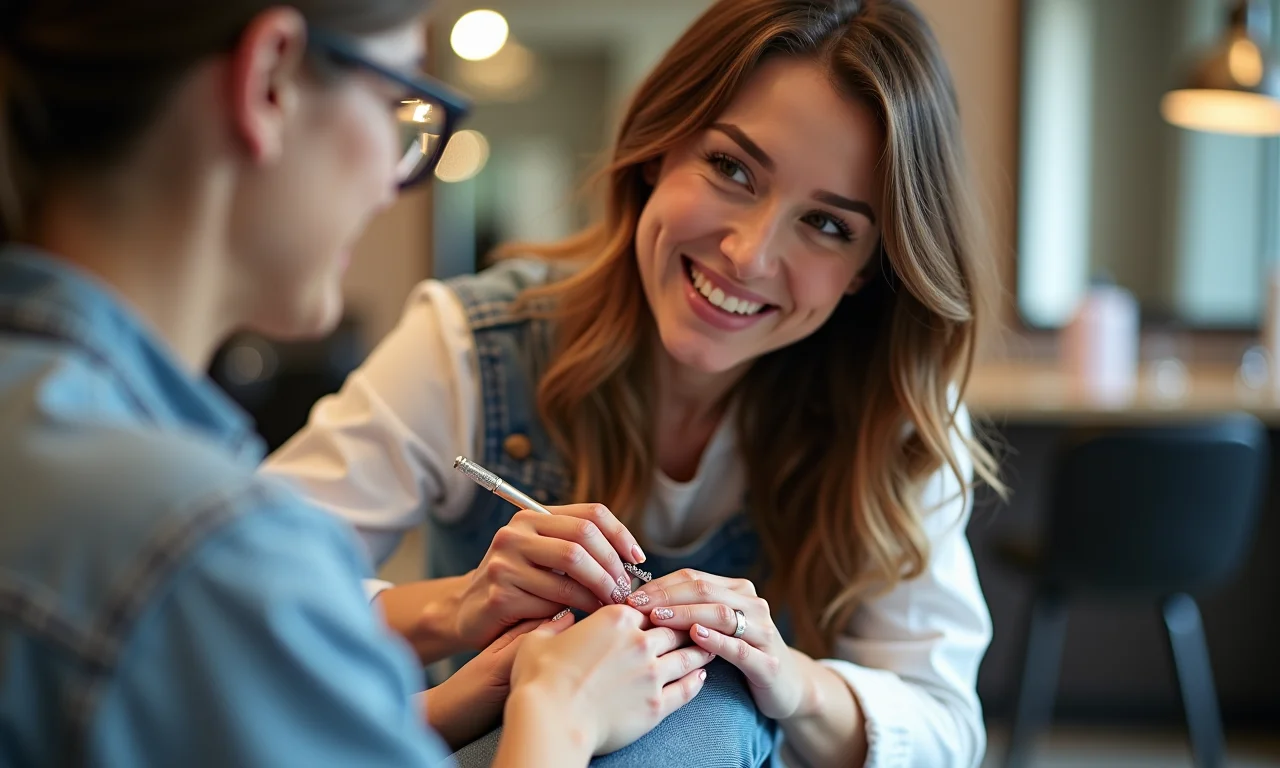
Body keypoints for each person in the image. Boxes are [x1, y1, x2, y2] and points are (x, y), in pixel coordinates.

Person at [261, 0, 1006, 766]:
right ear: (659, 149)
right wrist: (458, 609)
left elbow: (945, 728)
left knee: (718, 700)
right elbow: (243, 591)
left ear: (866, 272)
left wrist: (789, 680)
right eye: (732, 169)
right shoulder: (473, 344)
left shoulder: (893, 413)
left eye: (828, 226)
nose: (748, 257)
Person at [0, 1, 719, 766]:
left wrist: (448, 696)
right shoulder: (199, 541)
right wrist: (560, 720)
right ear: (269, 81)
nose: (393, 180)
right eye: (399, 104)